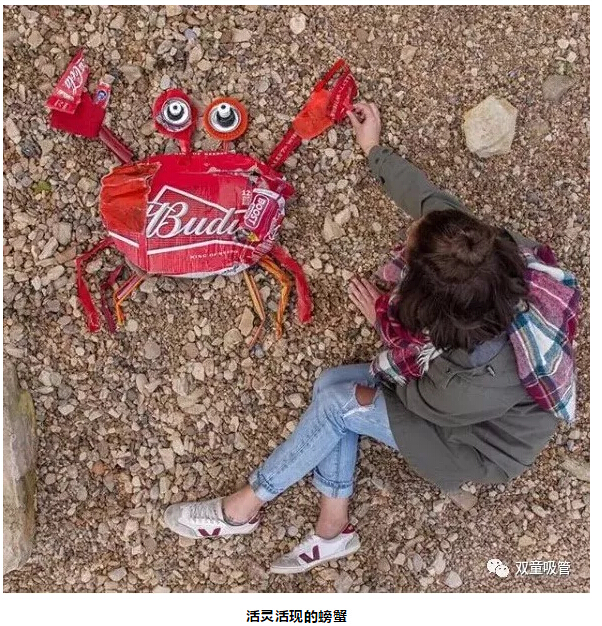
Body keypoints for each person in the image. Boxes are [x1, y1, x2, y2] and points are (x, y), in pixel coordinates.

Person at [163, 102, 578, 575]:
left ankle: (240, 509)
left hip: (477, 443)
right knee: (330, 386)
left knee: (340, 404)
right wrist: (374, 150)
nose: (407, 237)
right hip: (460, 395)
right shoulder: (482, 257)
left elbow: (418, 396)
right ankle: (331, 531)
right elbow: (428, 202)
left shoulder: (473, 377)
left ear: (431, 311)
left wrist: (386, 325)